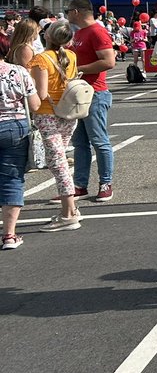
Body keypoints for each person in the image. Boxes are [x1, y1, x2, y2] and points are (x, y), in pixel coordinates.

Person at [28, 21, 83, 233]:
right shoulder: (71, 56)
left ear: (48, 36)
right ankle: (71, 209)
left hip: (47, 114)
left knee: (58, 163)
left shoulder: (41, 59)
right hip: (67, 112)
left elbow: (41, 93)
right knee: (57, 160)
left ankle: (68, 213)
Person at [65, 0, 116, 203]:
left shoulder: (97, 31)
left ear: (76, 11)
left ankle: (106, 183)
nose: (67, 14)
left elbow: (109, 61)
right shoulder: (80, 32)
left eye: (68, 11)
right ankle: (80, 185)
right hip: (79, 93)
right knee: (80, 143)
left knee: (99, 140)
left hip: (94, 92)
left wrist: (79, 69)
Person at [0, 52, 40, 250]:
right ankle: (9, 235)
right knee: (12, 178)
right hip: (14, 127)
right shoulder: (18, 71)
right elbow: (34, 104)